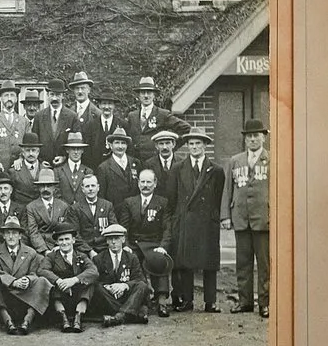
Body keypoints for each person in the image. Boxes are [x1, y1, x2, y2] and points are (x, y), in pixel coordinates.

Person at [168, 126, 227, 312]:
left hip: (207, 221)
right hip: (185, 220)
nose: (194, 147)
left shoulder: (215, 170)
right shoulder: (178, 168)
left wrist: (214, 217)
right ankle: (188, 301)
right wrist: (176, 220)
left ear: (205, 145)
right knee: (186, 262)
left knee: (209, 262)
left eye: (198, 143)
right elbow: (172, 198)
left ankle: (211, 301)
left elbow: (219, 197)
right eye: (191, 144)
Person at [226, 118, 273, 317]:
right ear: (245, 140)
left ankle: (264, 302)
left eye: (256, 136)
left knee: (264, 264)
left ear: (263, 137)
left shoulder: (272, 159)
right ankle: (245, 301)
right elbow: (227, 191)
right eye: (249, 136)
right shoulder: (235, 161)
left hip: (263, 219)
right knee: (242, 262)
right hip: (241, 218)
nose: (253, 140)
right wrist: (225, 217)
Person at [122, 164, 174, 312]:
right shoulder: (129, 202)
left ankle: (162, 300)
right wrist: (125, 245)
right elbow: (124, 228)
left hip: (154, 243)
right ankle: (142, 300)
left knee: (160, 259)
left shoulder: (162, 202)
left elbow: (167, 228)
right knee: (133, 261)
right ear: (138, 183)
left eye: (149, 182)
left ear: (155, 183)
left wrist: (163, 246)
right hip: (134, 244)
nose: (145, 185)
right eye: (142, 182)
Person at [0, 215, 47, 334]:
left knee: (42, 281)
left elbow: (34, 273)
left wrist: (28, 280)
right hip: (6, 295)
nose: (10, 236)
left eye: (14, 233)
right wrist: (13, 281)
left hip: (25, 296)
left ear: (20, 236)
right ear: (3, 235)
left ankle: (27, 320)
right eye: (7, 233)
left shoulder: (31, 252)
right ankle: (7, 321)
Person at [39, 221, 98, 333]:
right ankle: (63, 318)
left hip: (78, 296)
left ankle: (78, 317)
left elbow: (93, 271)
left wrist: (74, 280)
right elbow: (42, 270)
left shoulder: (81, 255)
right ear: (56, 242)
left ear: (73, 240)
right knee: (50, 285)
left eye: (67, 239)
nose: (64, 243)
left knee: (89, 284)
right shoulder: (51, 257)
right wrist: (59, 281)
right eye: (61, 240)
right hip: (61, 295)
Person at [92, 221, 150, 326]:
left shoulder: (132, 257)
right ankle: (132, 314)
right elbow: (96, 281)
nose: (114, 242)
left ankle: (119, 317)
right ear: (106, 241)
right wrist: (108, 287)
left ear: (123, 239)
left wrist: (125, 285)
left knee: (142, 286)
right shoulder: (98, 258)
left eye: (117, 238)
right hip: (110, 298)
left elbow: (140, 279)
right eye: (110, 239)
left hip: (127, 296)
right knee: (96, 288)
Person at [96, 125, 142, 211]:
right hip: (115, 211)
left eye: (123, 143)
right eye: (117, 143)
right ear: (111, 145)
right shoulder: (103, 167)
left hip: (134, 211)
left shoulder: (136, 163)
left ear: (127, 145)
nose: (120, 146)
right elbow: (102, 196)